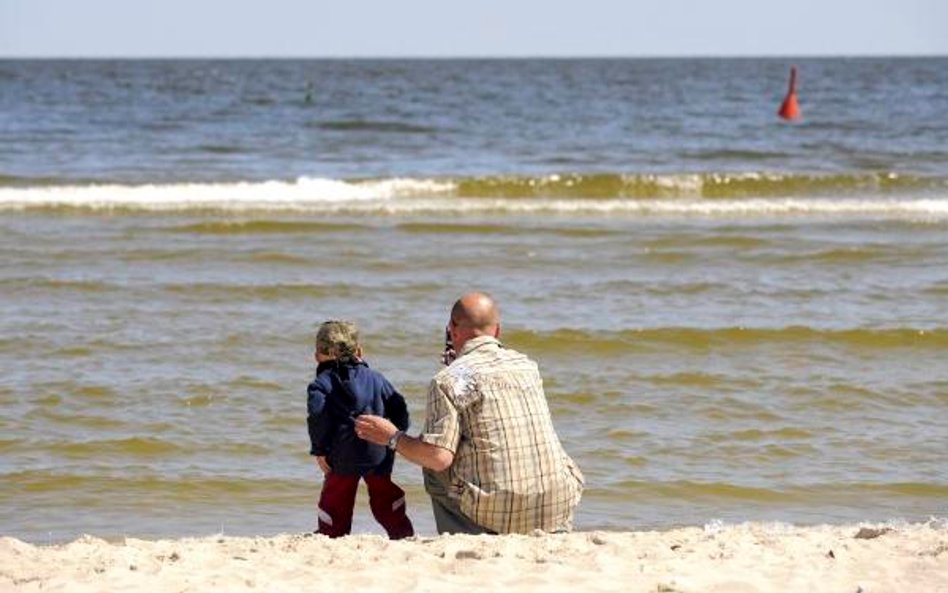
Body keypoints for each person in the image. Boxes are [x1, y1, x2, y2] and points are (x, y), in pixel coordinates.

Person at [355, 293, 584, 535]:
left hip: (499, 510)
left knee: (433, 463)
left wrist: (393, 437)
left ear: (452, 329)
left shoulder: (448, 380)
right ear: (497, 331)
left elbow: (438, 458)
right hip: (556, 504)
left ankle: (463, 534)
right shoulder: (527, 366)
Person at [307, 320, 414, 539]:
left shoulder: (320, 384)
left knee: (336, 497)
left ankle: (332, 535)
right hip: (378, 450)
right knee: (384, 494)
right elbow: (400, 408)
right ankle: (401, 532)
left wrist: (320, 449)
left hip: (341, 455)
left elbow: (318, 418)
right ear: (359, 351)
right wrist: (397, 434)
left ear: (317, 356)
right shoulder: (377, 378)